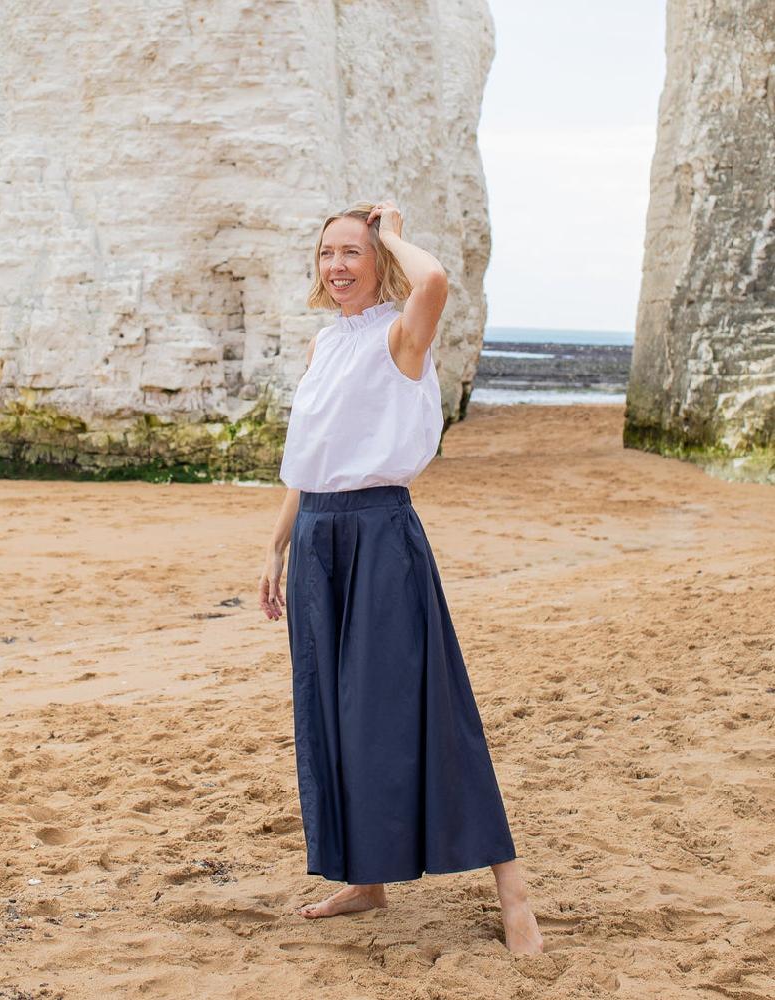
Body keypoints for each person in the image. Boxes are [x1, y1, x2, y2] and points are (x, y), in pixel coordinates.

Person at [258, 200, 543, 955]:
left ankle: (513, 894)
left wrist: (392, 231)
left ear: (380, 259)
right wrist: (276, 547)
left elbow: (438, 280)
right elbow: (309, 456)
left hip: (381, 535)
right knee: (333, 712)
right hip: (317, 534)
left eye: (353, 251)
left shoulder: (399, 336)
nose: (337, 266)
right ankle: (366, 878)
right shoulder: (325, 346)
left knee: (430, 709)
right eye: (327, 253)